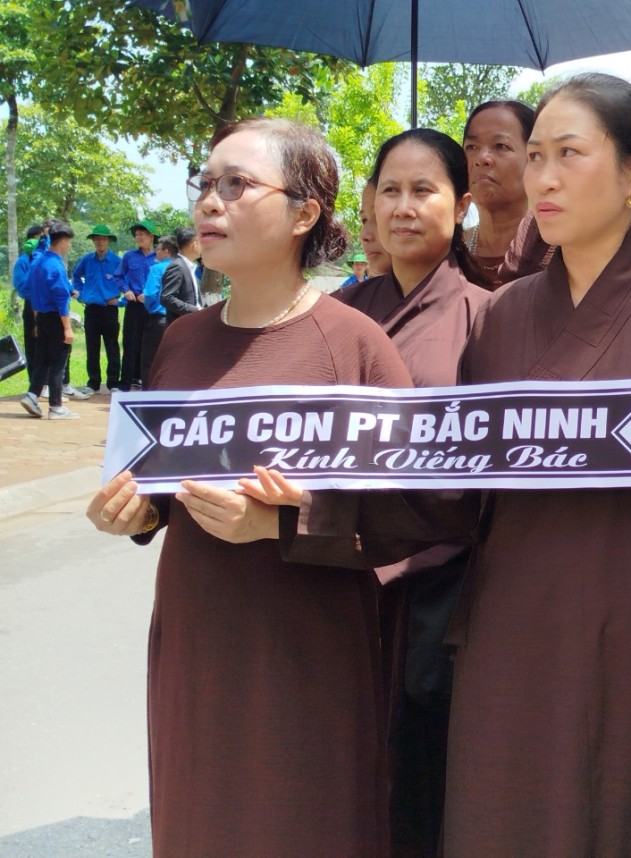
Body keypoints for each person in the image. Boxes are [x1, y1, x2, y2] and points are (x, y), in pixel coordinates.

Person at [273, 73, 631, 857]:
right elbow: (451, 487)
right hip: (513, 620)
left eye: (571, 153)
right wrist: (304, 510)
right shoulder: (505, 316)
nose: (545, 178)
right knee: (512, 815)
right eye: (535, 157)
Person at [84, 117, 413, 857]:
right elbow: (155, 487)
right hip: (196, 639)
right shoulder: (181, 340)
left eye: (238, 185)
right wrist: (131, 514)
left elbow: (412, 516)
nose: (211, 202)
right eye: (206, 184)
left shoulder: (354, 345)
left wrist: (281, 524)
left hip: (305, 652)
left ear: (304, 214)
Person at [334, 127, 491, 855]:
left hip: (441, 585)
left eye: (423, 190)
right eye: (389, 190)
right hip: (337, 571)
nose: (403, 207)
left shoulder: (490, 315)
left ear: (461, 205)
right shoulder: (337, 313)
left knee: (426, 778)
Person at [462, 100, 535, 287]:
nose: (481, 158)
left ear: (534, 158)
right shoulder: (449, 252)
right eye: (472, 147)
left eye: (500, 146)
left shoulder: (560, 252)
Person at [20, 220, 79, 420]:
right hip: (55, 318)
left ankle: (32, 396)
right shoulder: (55, 265)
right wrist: (67, 328)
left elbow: (31, 291)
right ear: (63, 241)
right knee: (57, 363)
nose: (68, 246)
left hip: (41, 317)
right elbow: (61, 298)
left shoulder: (38, 262)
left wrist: (37, 321)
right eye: (69, 242)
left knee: (42, 360)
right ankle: (56, 407)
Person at [71, 224, 121, 396]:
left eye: (104, 239)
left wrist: (120, 298)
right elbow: (76, 276)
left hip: (110, 309)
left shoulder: (116, 261)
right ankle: (93, 383)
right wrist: (81, 294)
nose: (101, 242)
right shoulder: (86, 260)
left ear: (108, 241)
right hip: (91, 308)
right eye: (97, 239)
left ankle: (113, 382)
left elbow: (125, 280)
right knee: (92, 346)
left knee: (112, 346)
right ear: (93, 241)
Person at [114, 218, 158, 390]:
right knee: (130, 342)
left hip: (153, 306)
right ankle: (126, 381)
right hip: (134, 305)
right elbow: (118, 276)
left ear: (151, 236)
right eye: (136, 235)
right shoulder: (129, 256)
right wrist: (126, 290)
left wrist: (150, 295)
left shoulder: (160, 257)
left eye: (142, 234)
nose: (138, 238)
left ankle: (146, 380)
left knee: (151, 343)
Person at [140, 234, 176, 390]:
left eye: (159, 249)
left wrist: (149, 307)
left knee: (150, 359)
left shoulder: (157, 269)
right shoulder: (183, 268)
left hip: (158, 318)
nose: (156, 252)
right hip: (178, 320)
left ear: (166, 251)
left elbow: (150, 294)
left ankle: (149, 394)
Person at [14, 224, 46, 387]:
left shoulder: (47, 259)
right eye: (40, 239)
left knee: (48, 344)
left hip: (47, 306)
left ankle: (50, 383)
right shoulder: (23, 261)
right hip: (32, 304)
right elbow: (21, 286)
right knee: (33, 344)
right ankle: (35, 384)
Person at [159, 226, 202, 324]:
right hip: (182, 324)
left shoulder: (189, 267)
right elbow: (166, 298)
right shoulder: (178, 266)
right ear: (195, 245)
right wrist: (195, 310)